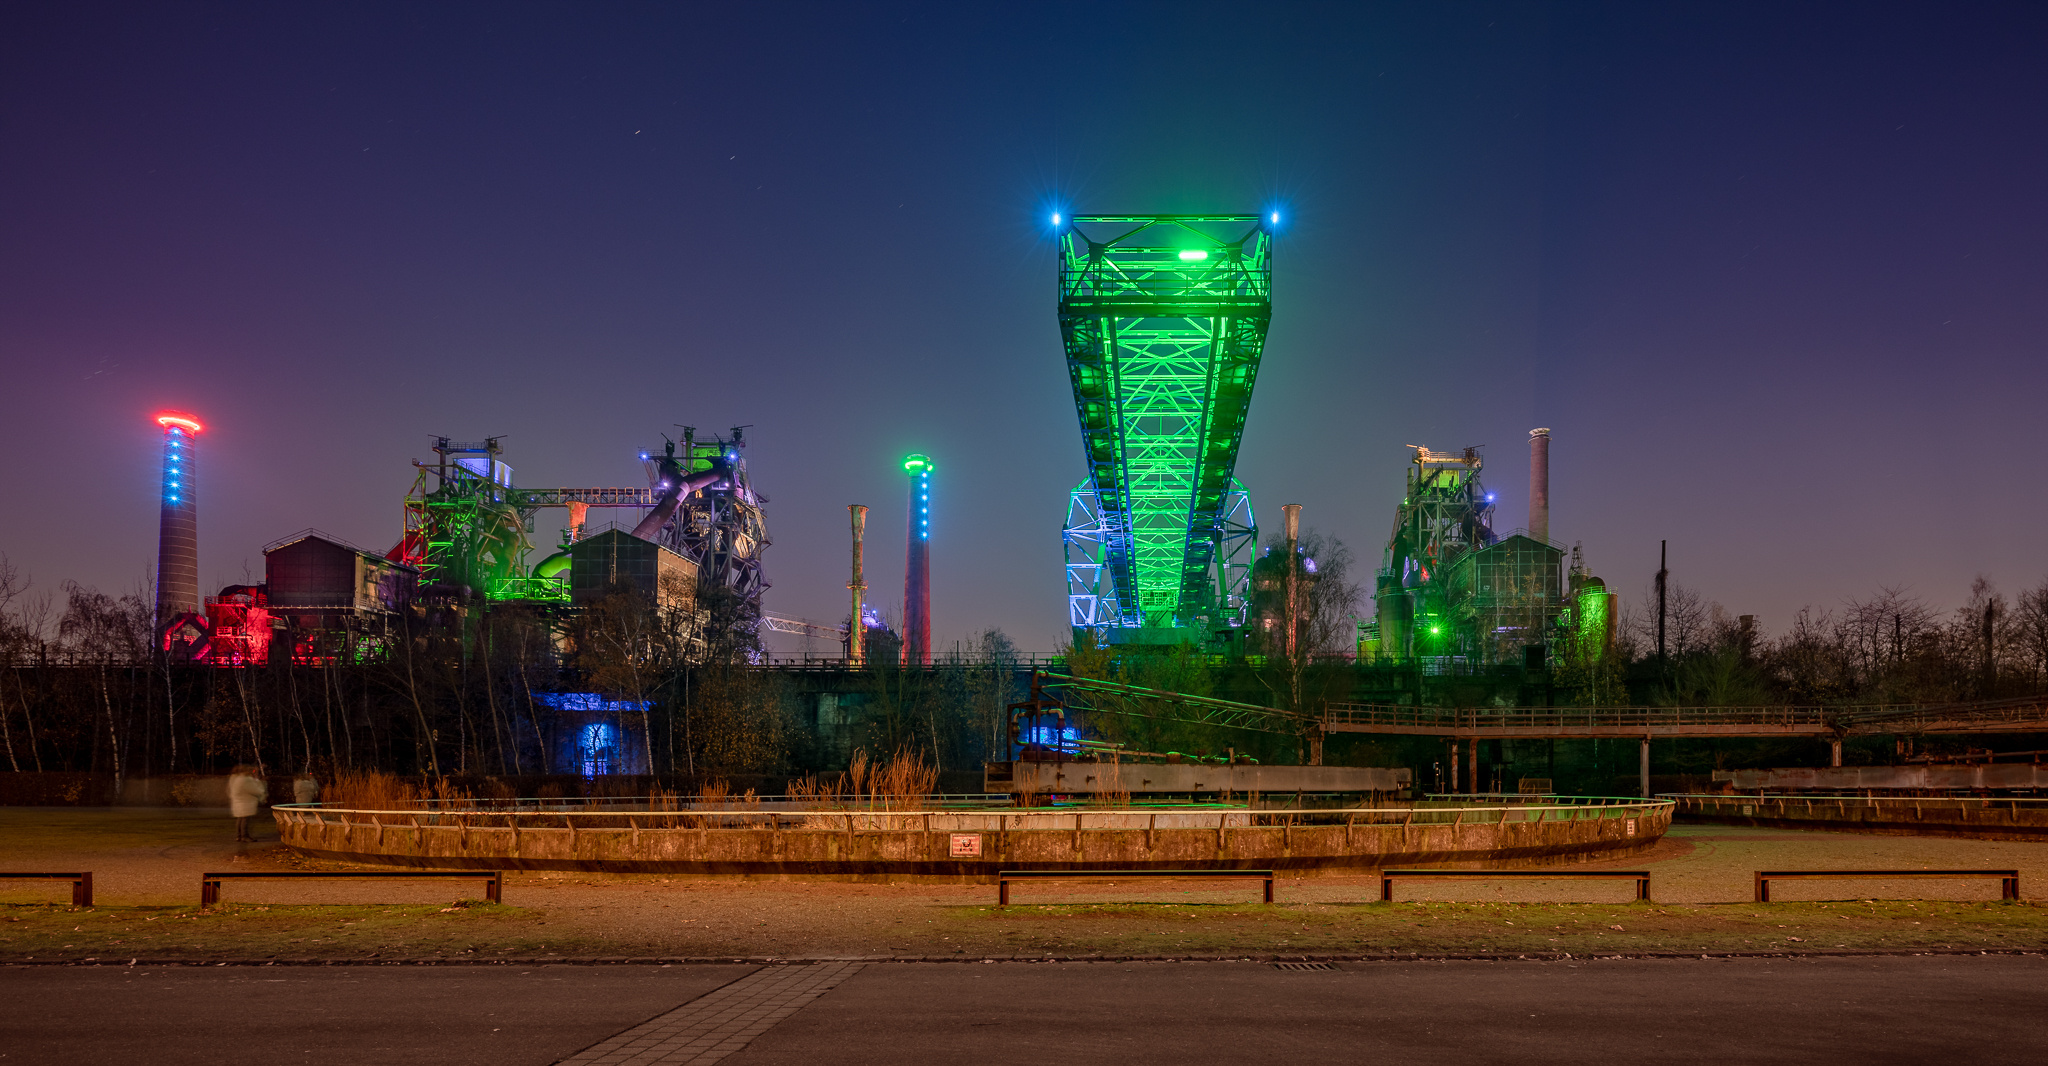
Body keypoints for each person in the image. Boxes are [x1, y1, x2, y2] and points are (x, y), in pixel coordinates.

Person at [227, 764, 267, 843]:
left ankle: (239, 835)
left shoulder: (237, 779)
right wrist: (258, 781)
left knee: (240, 819)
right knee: (245, 819)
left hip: (239, 802)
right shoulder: (246, 780)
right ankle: (244, 836)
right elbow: (257, 790)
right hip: (246, 803)